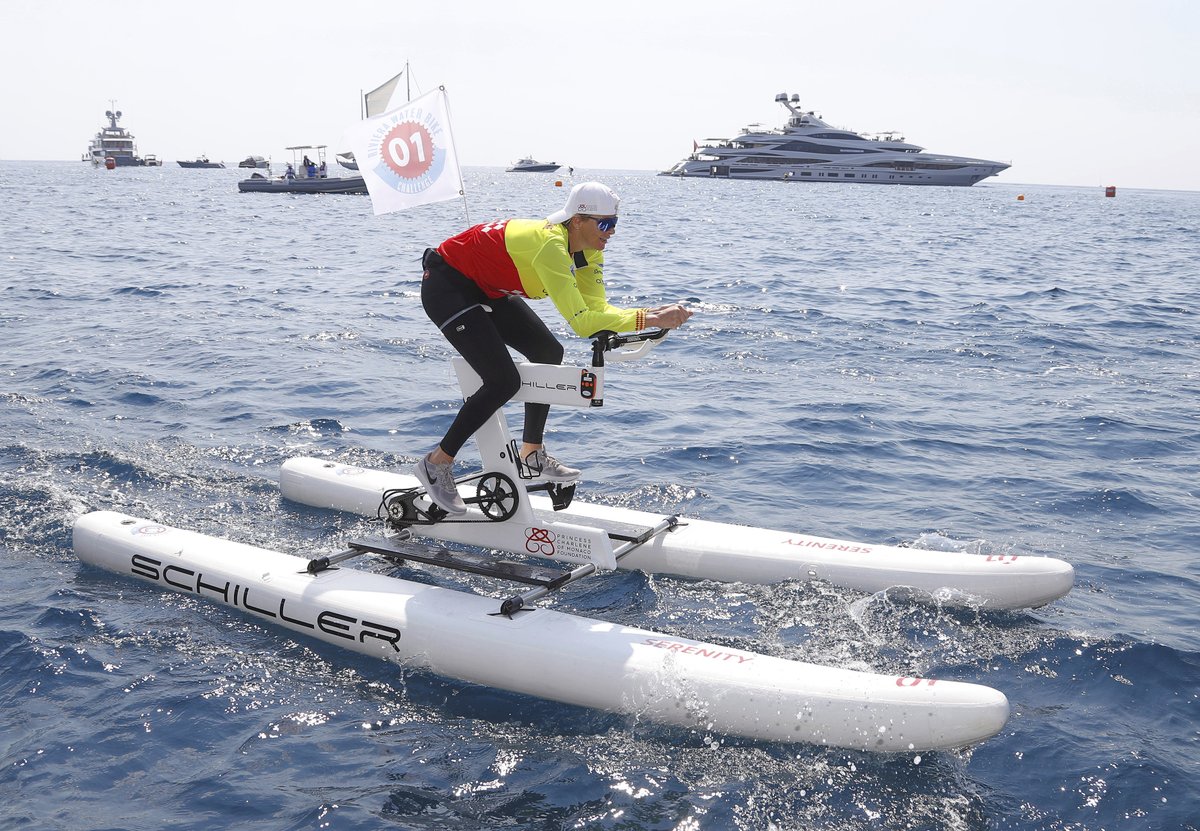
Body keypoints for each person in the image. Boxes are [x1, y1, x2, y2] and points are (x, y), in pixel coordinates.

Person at [414, 181, 692, 514]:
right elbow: (581, 322)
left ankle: (531, 455)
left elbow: (597, 310)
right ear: (578, 221)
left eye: (615, 223)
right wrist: (649, 317)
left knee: (549, 353)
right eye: (605, 224)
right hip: (448, 285)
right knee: (503, 381)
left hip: (484, 287)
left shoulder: (589, 250)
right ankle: (436, 463)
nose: (612, 232)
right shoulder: (552, 248)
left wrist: (648, 318)